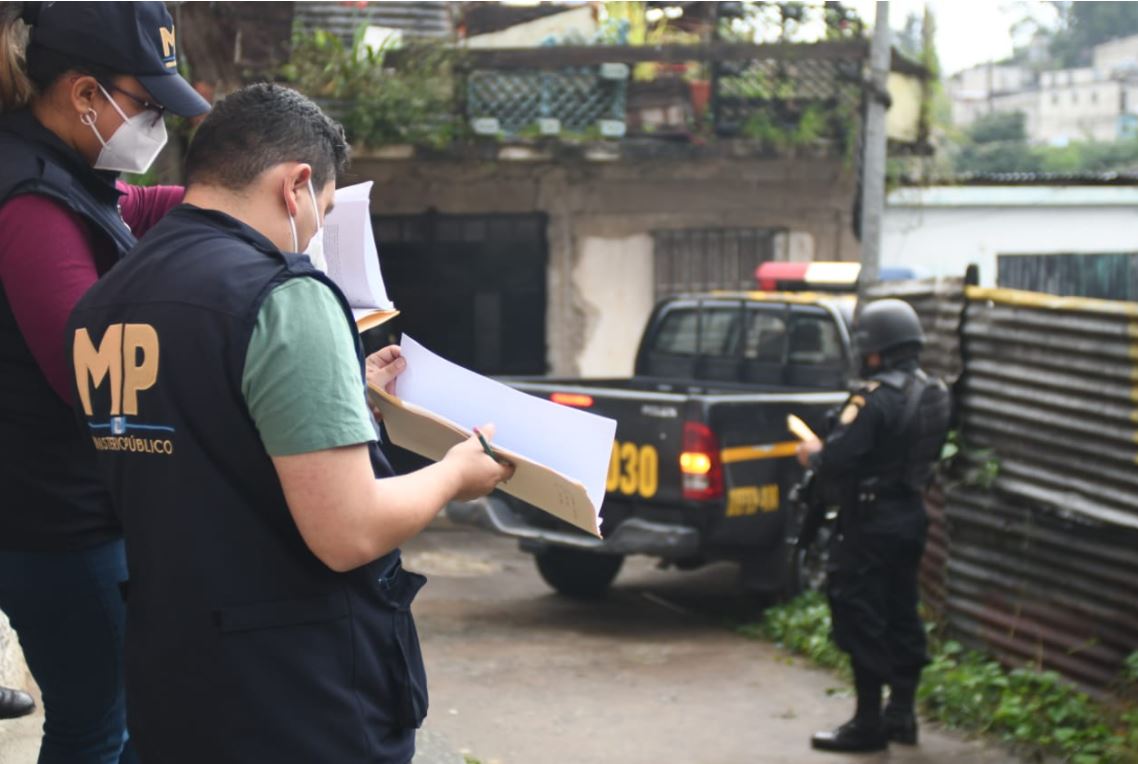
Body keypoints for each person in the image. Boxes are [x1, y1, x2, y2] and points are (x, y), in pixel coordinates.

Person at [67, 82, 514, 764]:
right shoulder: (284, 293)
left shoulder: (106, 302)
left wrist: (341, 391)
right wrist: (456, 474)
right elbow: (347, 530)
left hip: (174, 680)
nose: (317, 230)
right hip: (295, 695)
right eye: (324, 211)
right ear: (296, 185)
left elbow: (207, 428)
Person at [0, 3, 209, 762]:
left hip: (62, 508)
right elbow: (92, 374)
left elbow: (132, 211)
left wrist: (233, 202)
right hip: (56, 523)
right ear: (85, 94)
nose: (157, 125)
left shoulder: (64, 168)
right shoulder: (30, 201)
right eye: (147, 105)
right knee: (97, 726)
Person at [796, 298, 951, 753]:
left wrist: (812, 453)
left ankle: (867, 724)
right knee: (902, 609)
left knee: (860, 613)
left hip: (869, 522)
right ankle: (901, 714)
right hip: (910, 517)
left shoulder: (874, 399)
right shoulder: (935, 392)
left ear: (879, 350)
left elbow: (837, 459)